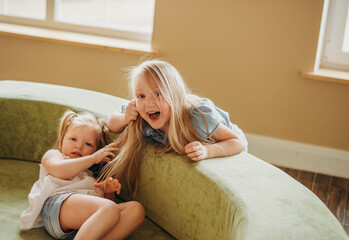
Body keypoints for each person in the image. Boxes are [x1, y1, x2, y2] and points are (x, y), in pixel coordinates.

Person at [101, 59, 248, 197]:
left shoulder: (197, 119)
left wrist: (207, 150)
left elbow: (236, 142)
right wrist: (124, 118)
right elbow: (111, 123)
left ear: (174, 96)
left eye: (158, 94)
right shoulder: (140, 112)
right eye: (141, 96)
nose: (148, 103)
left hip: (227, 147)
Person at [20, 111, 145, 240]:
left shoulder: (90, 175)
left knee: (135, 209)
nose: (79, 146)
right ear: (61, 140)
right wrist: (92, 158)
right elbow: (59, 171)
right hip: (57, 207)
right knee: (109, 209)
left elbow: (105, 218)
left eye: (88, 144)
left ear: (96, 149)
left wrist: (107, 192)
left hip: (82, 228)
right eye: (73, 139)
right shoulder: (55, 155)